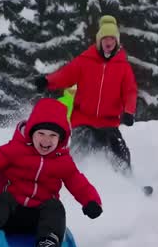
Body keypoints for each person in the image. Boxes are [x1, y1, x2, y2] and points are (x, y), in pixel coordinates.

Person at [0, 98, 103, 247]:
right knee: (3, 199)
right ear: (31, 132)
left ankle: (48, 244)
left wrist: (91, 201)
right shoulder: (14, 150)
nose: (46, 140)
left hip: (37, 222)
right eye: (41, 134)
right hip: (6, 216)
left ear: (61, 138)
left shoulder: (63, 161)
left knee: (55, 206)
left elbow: (78, 183)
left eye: (53, 135)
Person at [33, 15, 137, 173]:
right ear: (99, 41)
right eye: (105, 38)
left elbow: (129, 91)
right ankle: (69, 173)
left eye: (112, 39)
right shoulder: (85, 61)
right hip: (83, 119)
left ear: (117, 42)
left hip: (108, 123)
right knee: (83, 140)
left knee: (118, 147)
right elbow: (65, 75)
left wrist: (129, 111)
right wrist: (47, 81)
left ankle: (127, 178)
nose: (108, 42)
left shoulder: (123, 67)